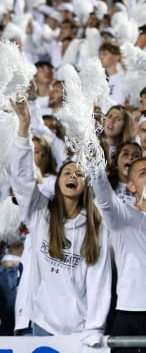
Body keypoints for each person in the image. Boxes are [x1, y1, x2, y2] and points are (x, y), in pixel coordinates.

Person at [10, 100, 110, 343]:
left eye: (79, 174)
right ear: (57, 182)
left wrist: (95, 328)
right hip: (42, 323)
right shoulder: (39, 213)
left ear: (86, 186)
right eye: (67, 172)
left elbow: (100, 278)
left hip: (81, 329)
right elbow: (22, 179)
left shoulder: (96, 225)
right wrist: (24, 127)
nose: (72, 176)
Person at [91, 154, 146, 352]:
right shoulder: (121, 216)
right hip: (129, 314)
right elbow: (104, 197)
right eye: (144, 173)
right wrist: (93, 160)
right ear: (131, 186)